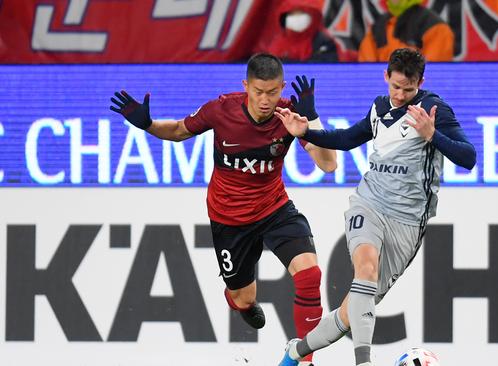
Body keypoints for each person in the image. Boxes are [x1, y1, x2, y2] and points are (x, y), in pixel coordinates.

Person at [109, 53, 337, 366]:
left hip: (275, 208)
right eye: (258, 92)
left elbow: (328, 164)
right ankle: (240, 303)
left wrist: (312, 123)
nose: (265, 100)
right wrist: (148, 125)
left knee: (310, 273)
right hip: (229, 219)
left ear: (282, 87)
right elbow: (178, 130)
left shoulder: (291, 115)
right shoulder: (221, 110)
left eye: (272, 92)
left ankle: (307, 360)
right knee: (244, 297)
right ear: (246, 86)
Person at [275, 48, 476, 366]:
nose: (399, 95)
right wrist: (307, 132)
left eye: (407, 89)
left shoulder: (434, 109)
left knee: (349, 312)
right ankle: (363, 361)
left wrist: (431, 134)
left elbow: (468, 158)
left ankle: (296, 352)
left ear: (420, 83)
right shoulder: (379, 107)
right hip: (368, 203)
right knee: (365, 267)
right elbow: (345, 138)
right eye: (395, 86)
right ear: (386, 77)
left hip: (408, 221)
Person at [358, 0, 454, 62]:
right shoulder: (377, 28)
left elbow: (434, 75)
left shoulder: (435, 28)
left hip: (417, 92)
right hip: (383, 90)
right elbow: (366, 72)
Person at [253, 0, 340, 62]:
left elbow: (325, 69)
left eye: (301, 13)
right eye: (292, 14)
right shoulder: (277, 44)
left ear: (312, 16)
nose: (297, 18)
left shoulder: (323, 42)